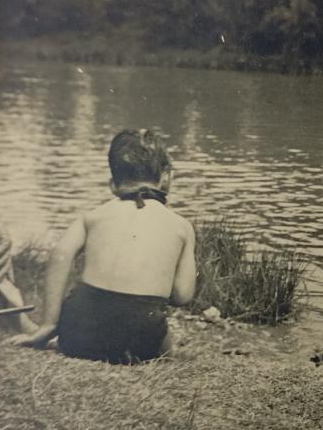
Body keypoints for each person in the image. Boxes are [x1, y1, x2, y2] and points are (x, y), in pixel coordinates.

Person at [15, 129, 197, 363]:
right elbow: (183, 295)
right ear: (166, 178)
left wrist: (49, 324)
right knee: (161, 338)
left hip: (79, 335)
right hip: (140, 342)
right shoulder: (181, 226)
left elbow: (60, 254)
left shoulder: (93, 216)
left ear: (112, 185)